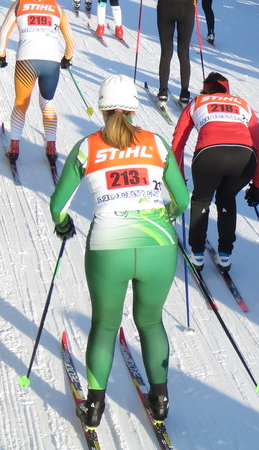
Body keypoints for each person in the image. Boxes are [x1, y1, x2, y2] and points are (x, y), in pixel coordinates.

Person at [49, 74, 190, 428]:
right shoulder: (156, 144)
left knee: (105, 324)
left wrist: (64, 224)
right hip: (158, 244)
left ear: (102, 108)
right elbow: (182, 199)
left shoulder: (87, 147)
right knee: (151, 321)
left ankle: (94, 407)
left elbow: (58, 206)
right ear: (133, 109)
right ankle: (160, 401)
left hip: (108, 248)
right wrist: (166, 215)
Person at [171, 72, 259, 271]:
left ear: (206, 89)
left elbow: (178, 141)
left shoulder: (197, 102)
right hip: (244, 158)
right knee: (226, 199)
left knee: (201, 200)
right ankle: (225, 255)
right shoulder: (242, 104)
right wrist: (257, 186)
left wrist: (179, 176)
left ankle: (197, 255)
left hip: (209, 155)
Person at [0, 0, 75, 163]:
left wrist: (1, 55)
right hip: (51, 61)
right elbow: (70, 39)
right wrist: (67, 58)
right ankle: (51, 146)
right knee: (47, 102)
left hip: (26, 61)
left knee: (21, 103)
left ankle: (14, 147)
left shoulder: (19, 4)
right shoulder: (56, 7)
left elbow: (4, 33)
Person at [156, 0, 195, 105]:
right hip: (187, 8)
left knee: (166, 52)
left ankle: (163, 92)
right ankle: (184, 94)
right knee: (184, 52)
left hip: (166, 7)